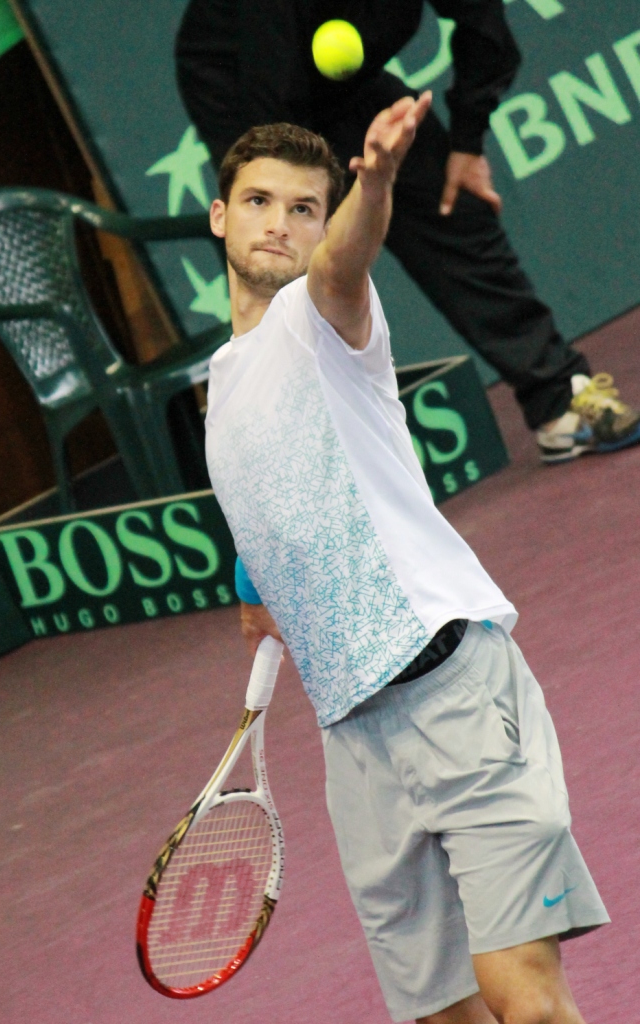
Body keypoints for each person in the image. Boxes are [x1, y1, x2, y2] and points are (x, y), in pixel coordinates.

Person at [203, 96, 609, 1023]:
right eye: (259, 201)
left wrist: (377, 179)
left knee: (523, 999)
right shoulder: (222, 388)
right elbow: (273, 507)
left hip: (452, 695)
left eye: (304, 208)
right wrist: (253, 583)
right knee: (441, 1015)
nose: (280, 223)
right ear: (220, 216)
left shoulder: (321, 316)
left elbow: (344, 261)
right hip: (355, 743)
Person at [178, 0, 640, 464]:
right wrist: (305, 202)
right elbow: (271, 95)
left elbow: (483, 24)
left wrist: (466, 143)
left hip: (350, 87)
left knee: (450, 209)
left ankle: (560, 402)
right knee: (287, 262)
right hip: (240, 83)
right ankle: (308, 458)